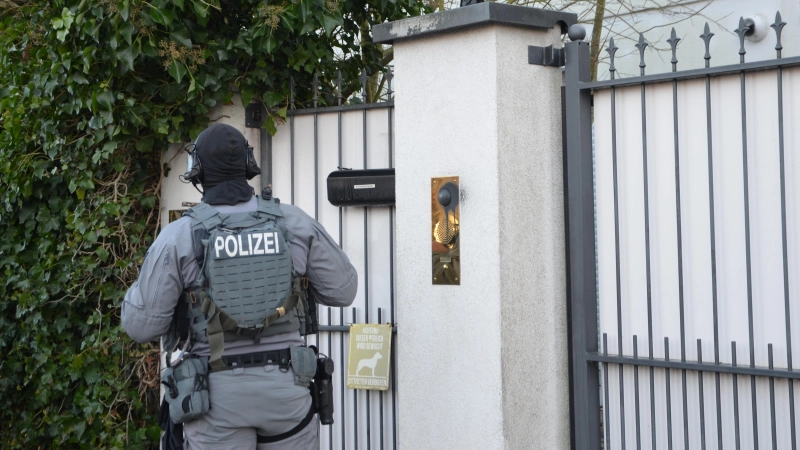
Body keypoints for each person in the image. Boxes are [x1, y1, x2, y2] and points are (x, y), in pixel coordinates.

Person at [122, 123, 358, 449]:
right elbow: (343, 291)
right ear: (248, 166)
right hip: (287, 395)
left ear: (197, 172)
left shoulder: (179, 237)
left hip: (215, 401)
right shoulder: (293, 222)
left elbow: (140, 327)